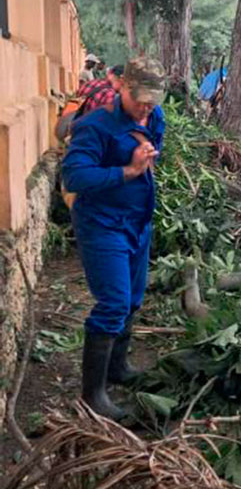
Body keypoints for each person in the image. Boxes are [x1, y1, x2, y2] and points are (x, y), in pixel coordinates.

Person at [62, 57, 167, 420]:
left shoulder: (153, 117)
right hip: (102, 224)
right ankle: (92, 396)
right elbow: (75, 177)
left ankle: (118, 368)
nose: (146, 107)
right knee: (113, 303)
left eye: (153, 99)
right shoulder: (95, 126)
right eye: (140, 98)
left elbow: (156, 146)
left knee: (133, 300)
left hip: (138, 223)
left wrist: (148, 157)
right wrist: (128, 170)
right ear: (121, 86)